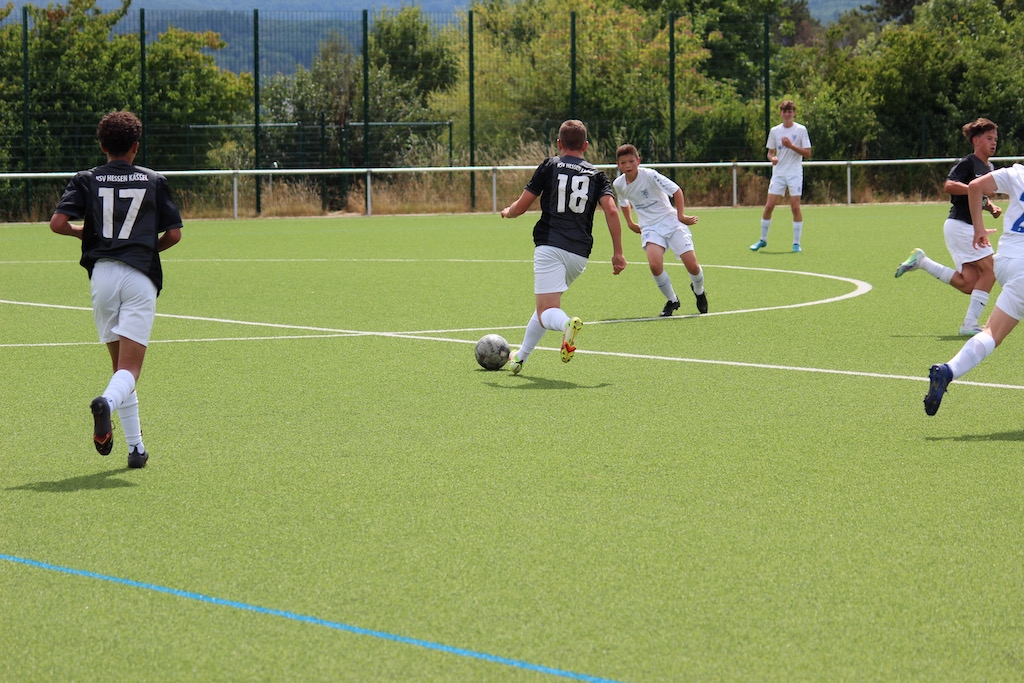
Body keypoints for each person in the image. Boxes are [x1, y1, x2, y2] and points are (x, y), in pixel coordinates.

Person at [49, 110, 183, 468]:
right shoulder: (154, 180)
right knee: (130, 370)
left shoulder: (86, 179)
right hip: (139, 276)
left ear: (102, 146)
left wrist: (80, 233)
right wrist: (144, 250)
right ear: (136, 146)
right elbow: (174, 234)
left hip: (102, 277)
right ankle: (106, 404)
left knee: (120, 371)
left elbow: (57, 223)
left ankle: (136, 449)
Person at [500, 119, 626, 375]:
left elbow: (522, 206)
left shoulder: (550, 165)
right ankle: (520, 358)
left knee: (547, 310)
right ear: (585, 146)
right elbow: (612, 211)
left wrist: (508, 212)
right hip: (579, 255)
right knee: (545, 306)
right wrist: (618, 252)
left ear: (559, 144)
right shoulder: (597, 175)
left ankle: (567, 323)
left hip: (550, 246)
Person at [922, 163, 1024, 415]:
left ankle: (948, 370)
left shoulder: (1017, 173)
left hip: (1006, 262)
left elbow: (976, 186)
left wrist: (979, 228)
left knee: (991, 332)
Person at [894, 118, 1002, 336]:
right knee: (991, 270)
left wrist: (990, 207)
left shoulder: (989, 168)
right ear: (976, 140)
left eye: (995, 139)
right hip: (961, 226)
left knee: (969, 283)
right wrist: (974, 188)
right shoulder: (968, 162)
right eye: (989, 138)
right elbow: (949, 185)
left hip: (964, 228)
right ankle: (969, 324)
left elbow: (979, 197)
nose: (994, 143)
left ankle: (922, 261)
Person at [612, 144, 707, 316]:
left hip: (671, 221)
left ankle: (699, 291)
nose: (628, 165)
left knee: (692, 266)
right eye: (623, 162)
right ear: (618, 165)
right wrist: (630, 222)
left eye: (631, 161)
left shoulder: (650, 175)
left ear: (638, 161)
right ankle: (672, 300)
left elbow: (676, 191)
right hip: (650, 227)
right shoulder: (619, 184)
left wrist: (681, 215)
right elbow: (623, 202)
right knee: (655, 266)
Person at [750, 99, 812, 253]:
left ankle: (796, 243)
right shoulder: (775, 131)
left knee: (795, 207)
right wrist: (772, 158)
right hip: (778, 174)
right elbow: (770, 153)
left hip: (794, 173)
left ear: (794, 113)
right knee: (769, 206)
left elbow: (808, 153)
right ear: (780, 113)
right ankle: (763, 239)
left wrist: (791, 146)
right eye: (784, 111)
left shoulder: (801, 130)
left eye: (790, 111)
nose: (787, 114)